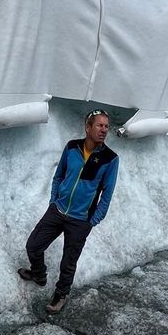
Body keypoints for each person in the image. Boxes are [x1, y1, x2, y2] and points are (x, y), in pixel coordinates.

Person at [18, 109, 119, 314]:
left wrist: (92, 220)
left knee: (68, 263)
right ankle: (39, 274)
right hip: (58, 210)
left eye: (106, 126)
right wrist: (54, 201)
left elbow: (107, 194)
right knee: (33, 246)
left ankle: (61, 294)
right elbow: (58, 176)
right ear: (88, 127)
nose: (104, 130)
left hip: (80, 220)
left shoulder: (110, 159)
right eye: (99, 125)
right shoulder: (72, 147)